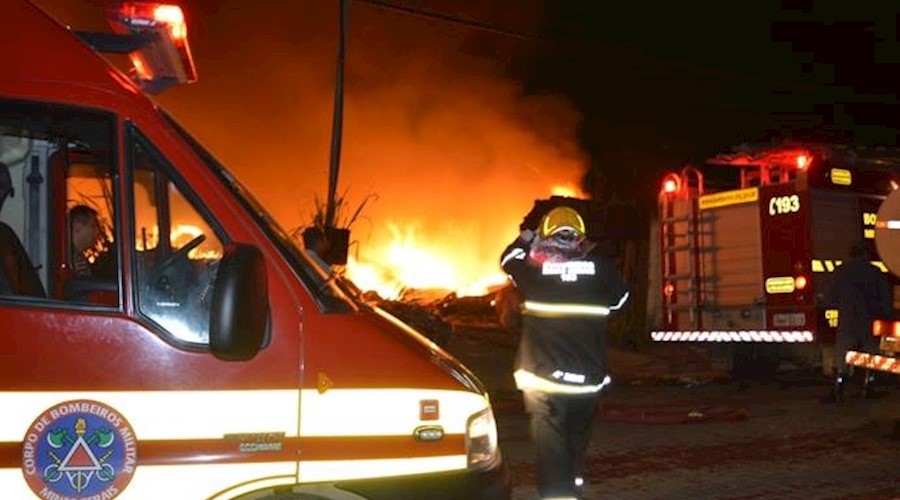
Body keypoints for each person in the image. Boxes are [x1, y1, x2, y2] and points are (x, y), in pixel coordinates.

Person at [500, 205, 629, 499]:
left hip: (545, 381)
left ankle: (560, 496)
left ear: (545, 235)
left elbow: (508, 259)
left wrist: (525, 239)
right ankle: (573, 488)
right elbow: (621, 300)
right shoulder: (601, 268)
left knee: (552, 446)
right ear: (580, 238)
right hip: (588, 381)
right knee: (576, 441)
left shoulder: (535, 272)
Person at [822, 241, 893, 402]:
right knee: (871, 358)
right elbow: (886, 300)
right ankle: (868, 388)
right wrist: (886, 317)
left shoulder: (842, 272)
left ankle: (838, 390)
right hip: (870, 323)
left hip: (848, 323)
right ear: (866, 254)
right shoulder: (876, 273)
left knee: (842, 359)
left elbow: (831, 296)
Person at [69, 204, 101, 277]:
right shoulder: (75, 261)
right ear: (77, 227)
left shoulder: (72, 257)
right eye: (93, 226)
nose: (97, 232)